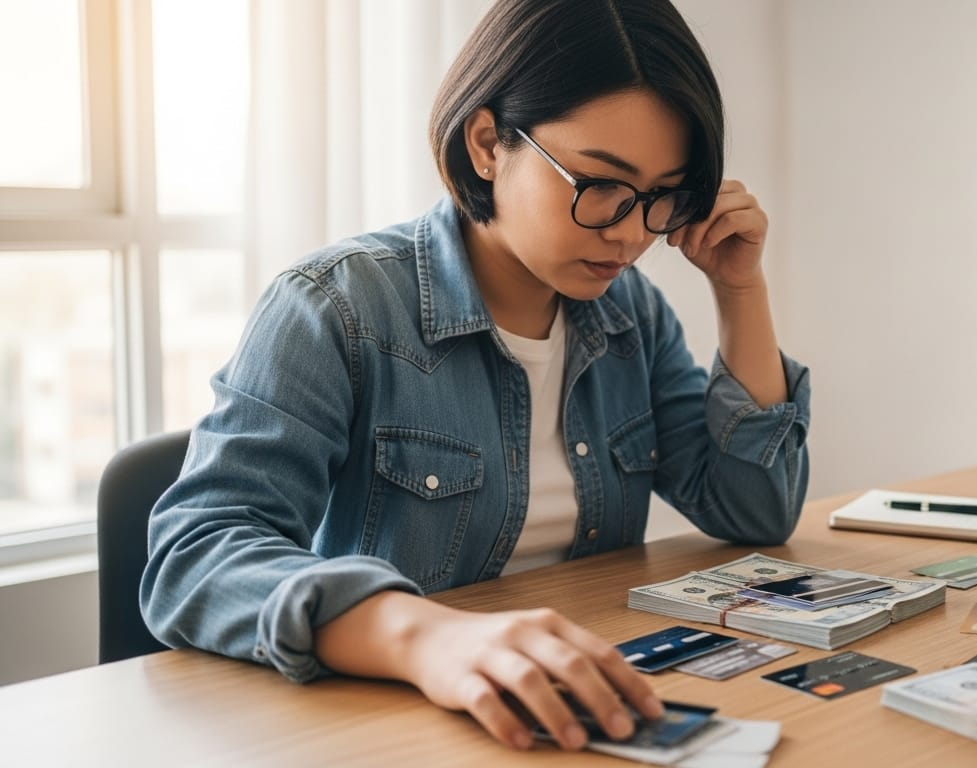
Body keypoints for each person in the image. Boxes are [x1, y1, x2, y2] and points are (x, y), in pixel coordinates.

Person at [139, 0, 810, 753]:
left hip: (571, 704)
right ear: (489, 143)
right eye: (601, 184)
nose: (629, 232)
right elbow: (194, 555)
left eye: (662, 198)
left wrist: (740, 290)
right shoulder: (338, 306)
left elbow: (756, 510)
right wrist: (422, 634)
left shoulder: (630, 316)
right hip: (388, 724)